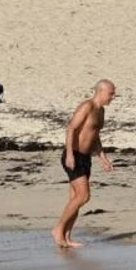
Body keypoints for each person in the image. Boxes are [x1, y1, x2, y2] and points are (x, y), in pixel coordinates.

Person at [53, 79, 116, 249]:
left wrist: (102, 157)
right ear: (100, 91)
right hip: (73, 156)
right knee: (83, 196)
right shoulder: (87, 106)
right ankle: (58, 230)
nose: (113, 97)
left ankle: (66, 236)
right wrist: (70, 155)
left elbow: (95, 136)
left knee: (75, 199)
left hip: (85, 157)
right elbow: (71, 128)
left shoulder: (101, 111)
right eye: (111, 93)